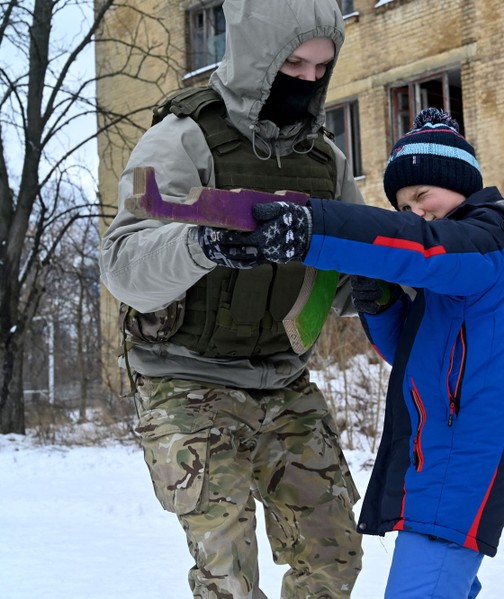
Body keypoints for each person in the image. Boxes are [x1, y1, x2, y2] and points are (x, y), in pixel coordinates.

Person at [203, 107, 504, 597]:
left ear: (460, 182)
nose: (415, 212)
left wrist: (310, 230)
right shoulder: (457, 268)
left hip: (463, 460)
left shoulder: (491, 241)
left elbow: (423, 246)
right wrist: (382, 302)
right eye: (403, 206)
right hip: (434, 452)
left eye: (421, 195)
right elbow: (412, 354)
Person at [99, 1, 363, 597]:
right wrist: (202, 245)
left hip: (283, 378)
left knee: (333, 556)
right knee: (228, 573)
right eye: (293, 63)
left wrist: (383, 273)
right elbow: (123, 267)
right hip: (186, 379)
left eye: (322, 68)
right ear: (255, 57)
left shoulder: (326, 161)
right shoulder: (184, 138)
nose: (308, 81)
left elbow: (345, 285)